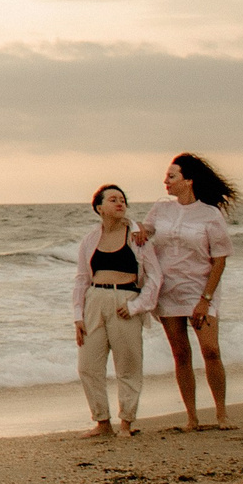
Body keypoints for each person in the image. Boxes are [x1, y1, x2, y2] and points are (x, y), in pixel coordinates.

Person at [140, 152, 238, 430]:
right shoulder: (161, 209)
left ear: (189, 181)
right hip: (168, 291)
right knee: (181, 354)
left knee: (210, 351)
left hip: (200, 291)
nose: (165, 182)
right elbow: (142, 234)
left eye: (172, 176)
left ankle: (221, 414)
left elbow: (220, 258)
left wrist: (205, 299)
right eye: (166, 177)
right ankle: (192, 418)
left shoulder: (210, 214)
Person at [71, 184, 160, 436]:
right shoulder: (90, 240)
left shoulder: (137, 237)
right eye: (113, 199)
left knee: (129, 365)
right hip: (94, 300)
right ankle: (102, 422)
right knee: (88, 365)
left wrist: (137, 306)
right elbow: (81, 279)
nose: (120, 203)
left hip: (125, 301)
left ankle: (126, 423)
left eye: (122, 199)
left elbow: (155, 277)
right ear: (99, 208)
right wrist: (78, 315)